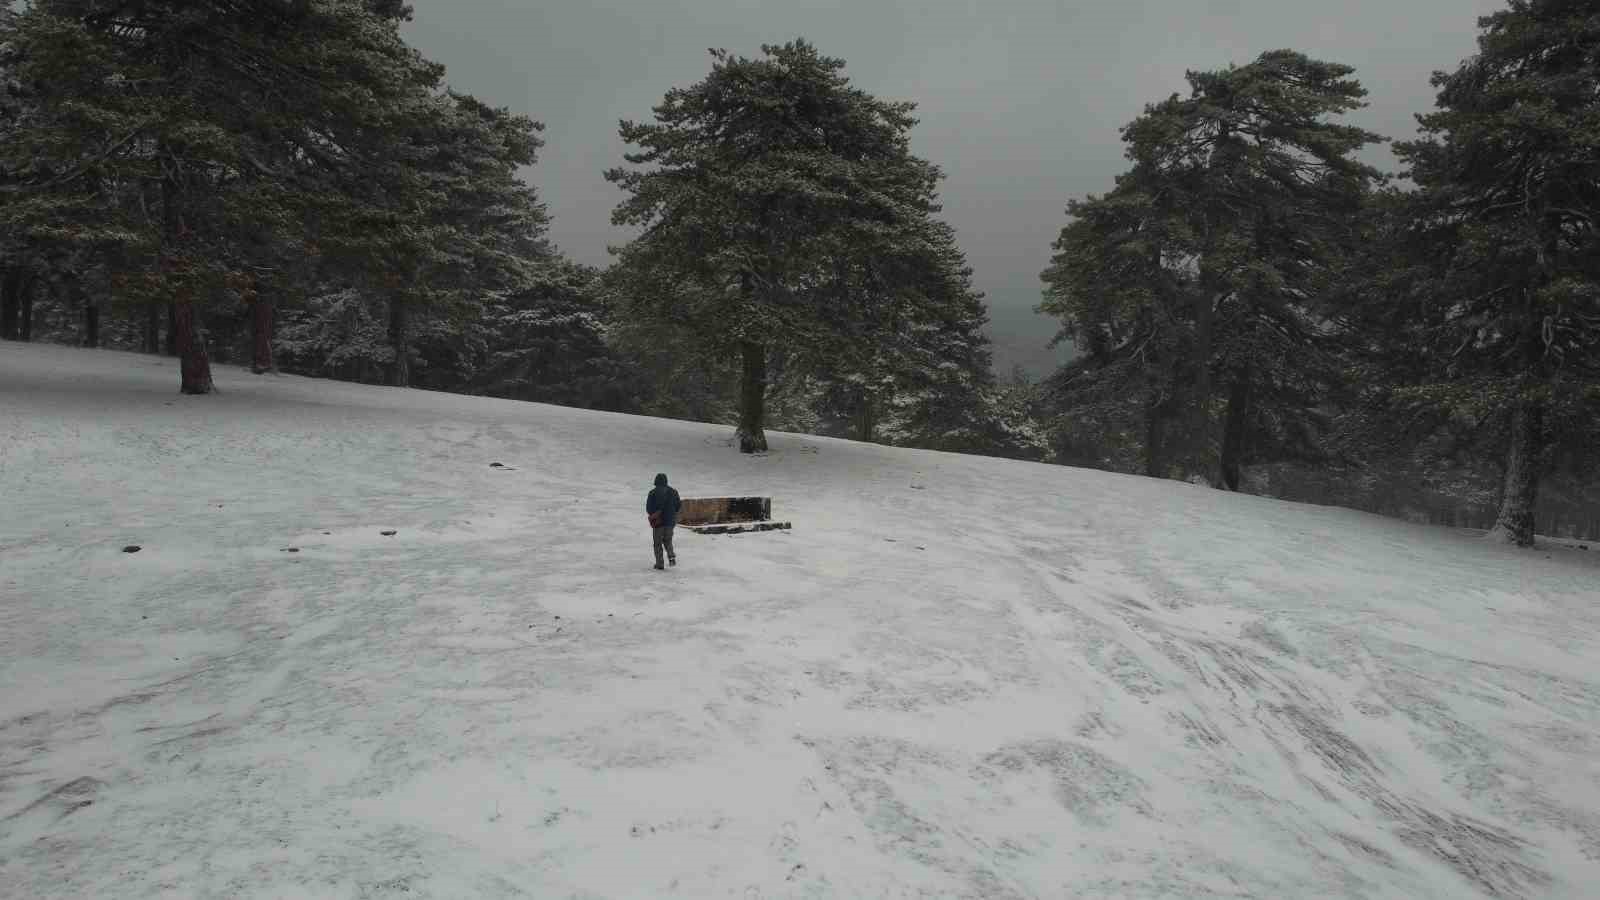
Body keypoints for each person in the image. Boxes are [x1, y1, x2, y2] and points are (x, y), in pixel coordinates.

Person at [646, 472, 682, 570]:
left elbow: (649, 508)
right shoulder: (674, 492)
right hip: (670, 522)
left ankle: (660, 564)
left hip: (659, 523)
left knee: (657, 543)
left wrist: (654, 514)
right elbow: (678, 506)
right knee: (668, 540)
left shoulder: (652, 492)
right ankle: (671, 556)